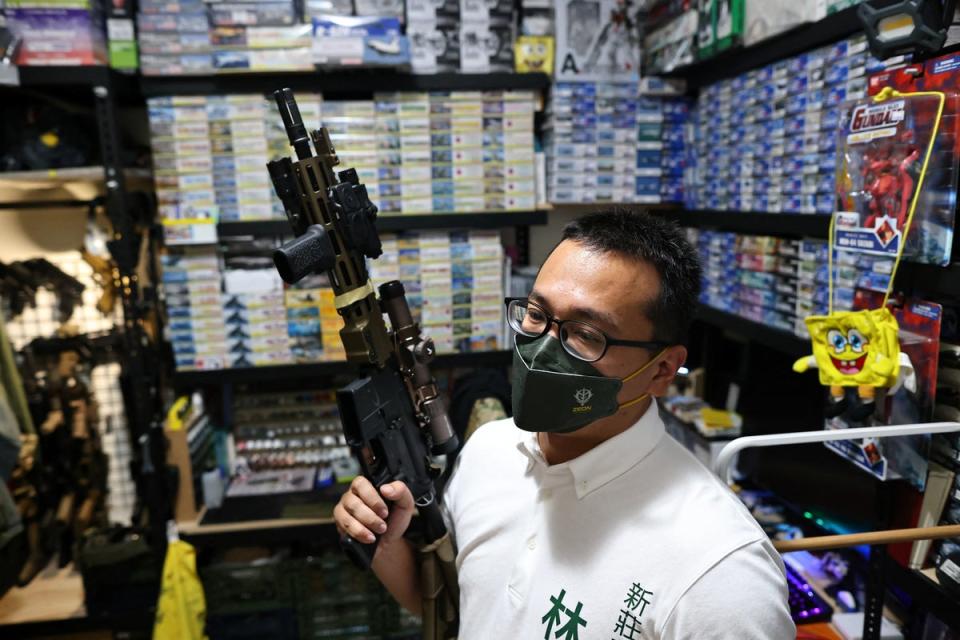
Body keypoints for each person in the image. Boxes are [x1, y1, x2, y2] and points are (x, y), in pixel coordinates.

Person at [334, 209, 795, 639]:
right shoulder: (489, 449)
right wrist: (386, 542)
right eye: (537, 315)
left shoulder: (720, 575)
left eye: (586, 334)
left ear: (661, 369)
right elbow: (459, 605)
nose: (542, 349)